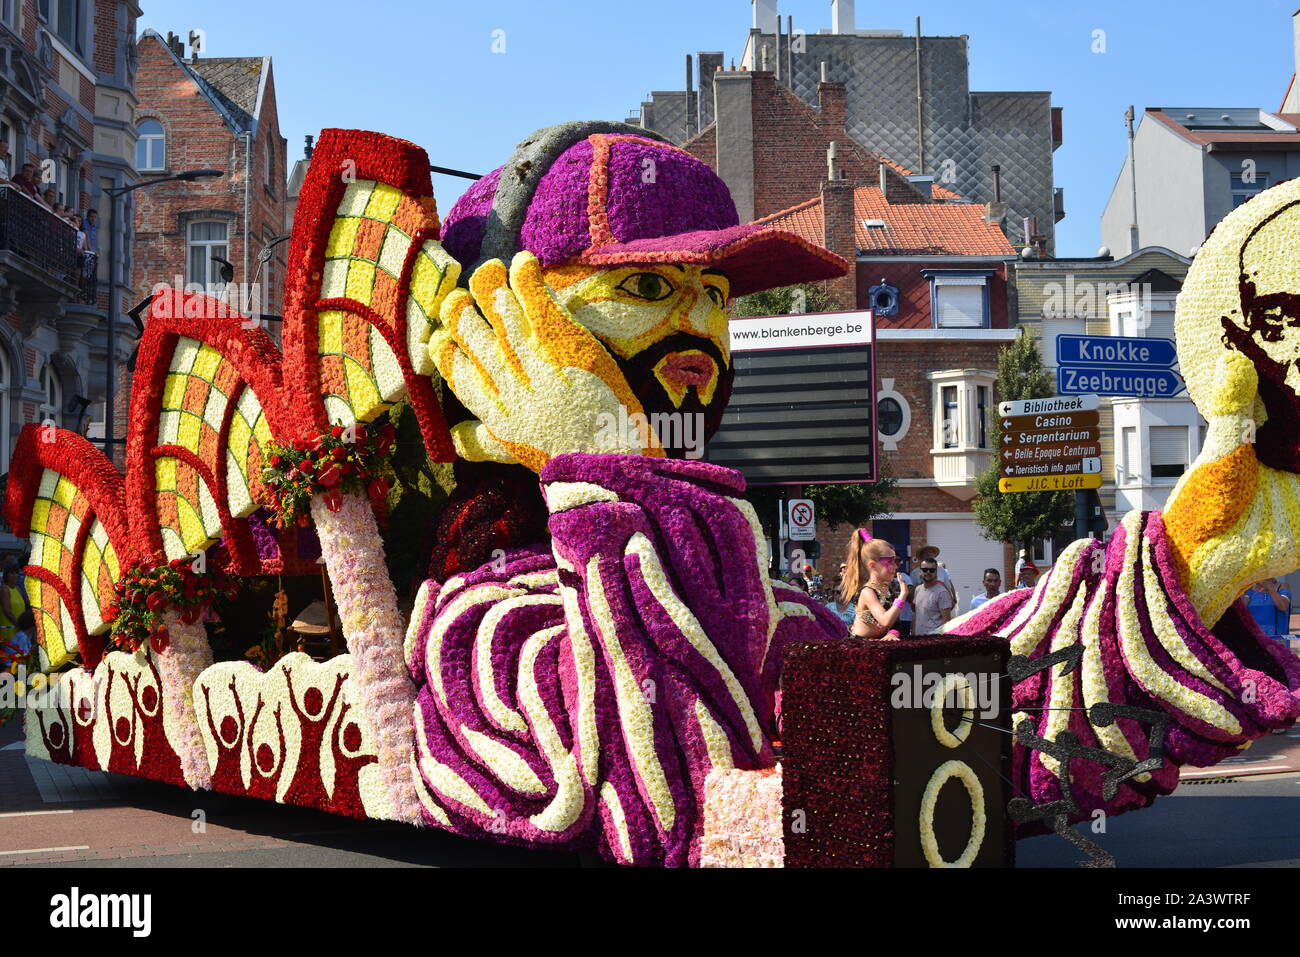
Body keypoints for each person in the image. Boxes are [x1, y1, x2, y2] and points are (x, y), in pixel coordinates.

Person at [841, 529, 909, 640]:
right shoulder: (867, 592)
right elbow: (885, 620)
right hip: (860, 646)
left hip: (877, 643)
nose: (895, 566)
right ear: (872, 565)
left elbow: (894, 621)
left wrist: (892, 633)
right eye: (890, 562)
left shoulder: (887, 589)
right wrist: (902, 595)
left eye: (895, 561)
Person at [913, 556, 955, 634]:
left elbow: (946, 621)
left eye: (932, 570)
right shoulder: (918, 589)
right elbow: (916, 615)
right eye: (925, 570)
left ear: (936, 572)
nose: (928, 572)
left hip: (933, 641)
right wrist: (913, 635)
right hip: (918, 639)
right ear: (920, 572)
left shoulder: (942, 592)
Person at [0, 565, 28, 648]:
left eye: (17, 573)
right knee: (10, 658)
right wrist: (19, 625)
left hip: (19, 628)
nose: (15, 575)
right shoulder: (5, 590)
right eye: (12, 573)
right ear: (6, 576)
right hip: (9, 628)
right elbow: (7, 611)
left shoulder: (18, 589)